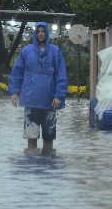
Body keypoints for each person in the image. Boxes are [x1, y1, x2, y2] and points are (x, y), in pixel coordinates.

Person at [8, 22, 68, 156]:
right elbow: (17, 73)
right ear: (35, 34)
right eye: (38, 31)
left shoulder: (55, 51)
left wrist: (59, 96)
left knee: (49, 138)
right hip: (31, 101)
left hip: (50, 102)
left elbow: (61, 75)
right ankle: (31, 168)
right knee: (31, 139)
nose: (41, 34)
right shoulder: (26, 51)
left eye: (43, 31)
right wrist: (14, 93)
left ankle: (48, 167)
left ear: (47, 34)